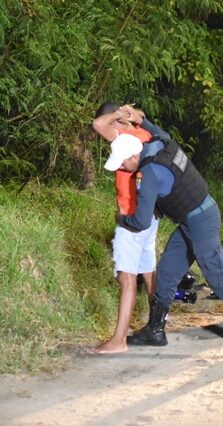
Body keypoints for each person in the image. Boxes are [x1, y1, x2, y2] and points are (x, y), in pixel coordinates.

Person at [102, 107, 223, 360]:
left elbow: (139, 221)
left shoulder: (148, 174)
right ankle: (155, 330)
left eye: (124, 163)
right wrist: (143, 120)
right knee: (168, 271)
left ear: (134, 156)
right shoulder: (161, 145)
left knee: (217, 277)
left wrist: (122, 218)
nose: (123, 168)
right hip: (192, 218)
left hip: (202, 221)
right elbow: (161, 132)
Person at [90, 102, 158, 354]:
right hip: (150, 215)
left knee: (127, 278)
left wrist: (120, 114)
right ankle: (157, 326)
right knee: (149, 272)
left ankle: (119, 341)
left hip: (130, 216)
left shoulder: (124, 137)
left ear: (116, 121)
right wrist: (136, 116)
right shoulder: (145, 135)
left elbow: (99, 125)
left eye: (112, 120)